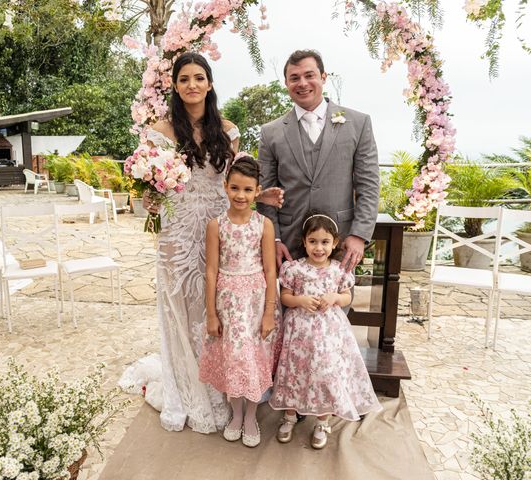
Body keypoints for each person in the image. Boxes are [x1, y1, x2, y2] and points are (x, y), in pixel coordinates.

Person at [142, 52, 283, 434]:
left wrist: (260, 197)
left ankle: (227, 387)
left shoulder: (229, 129)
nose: (192, 85)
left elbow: (237, 180)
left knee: (219, 308)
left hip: (222, 227)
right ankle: (187, 392)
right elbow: (151, 186)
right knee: (182, 310)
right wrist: (147, 195)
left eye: (199, 77)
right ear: (175, 85)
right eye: (184, 78)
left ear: (210, 83)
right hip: (179, 230)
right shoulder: (161, 130)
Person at [257, 49, 380, 272]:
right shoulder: (270, 132)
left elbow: (368, 184)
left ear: (323, 77)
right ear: (286, 83)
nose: (302, 83)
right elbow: (266, 193)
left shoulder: (358, 123)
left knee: (337, 305)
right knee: (289, 305)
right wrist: (273, 239)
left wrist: (359, 235)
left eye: (309, 75)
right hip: (289, 242)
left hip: (340, 241)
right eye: (294, 78)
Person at [269, 213, 382, 449]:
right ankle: (290, 416)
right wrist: (300, 300)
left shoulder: (338, 270)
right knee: (295, 373)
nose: (318, 248)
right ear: (304, 241)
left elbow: (346, 296)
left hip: (328, 334)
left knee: (326, 373)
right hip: (299, 333)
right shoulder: (294, 269)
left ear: (334, 243)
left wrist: (334, 297)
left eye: (324, 242)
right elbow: (286, 296)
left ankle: (322, 421)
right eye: (313, 241)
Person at [198, 154, 279, 448]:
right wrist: (211, 314)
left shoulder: (264, 225)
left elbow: (271, 269)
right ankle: (236, 414)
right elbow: (210, 270)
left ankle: (251, 416)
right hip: (228, 302)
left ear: (258, 190)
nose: (240, 195)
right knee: (234, 358)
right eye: (235, 188)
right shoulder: (216, 225)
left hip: (256, 301)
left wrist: (269, 312)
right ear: (225, 186)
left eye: (247, 189)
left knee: (253, 359)